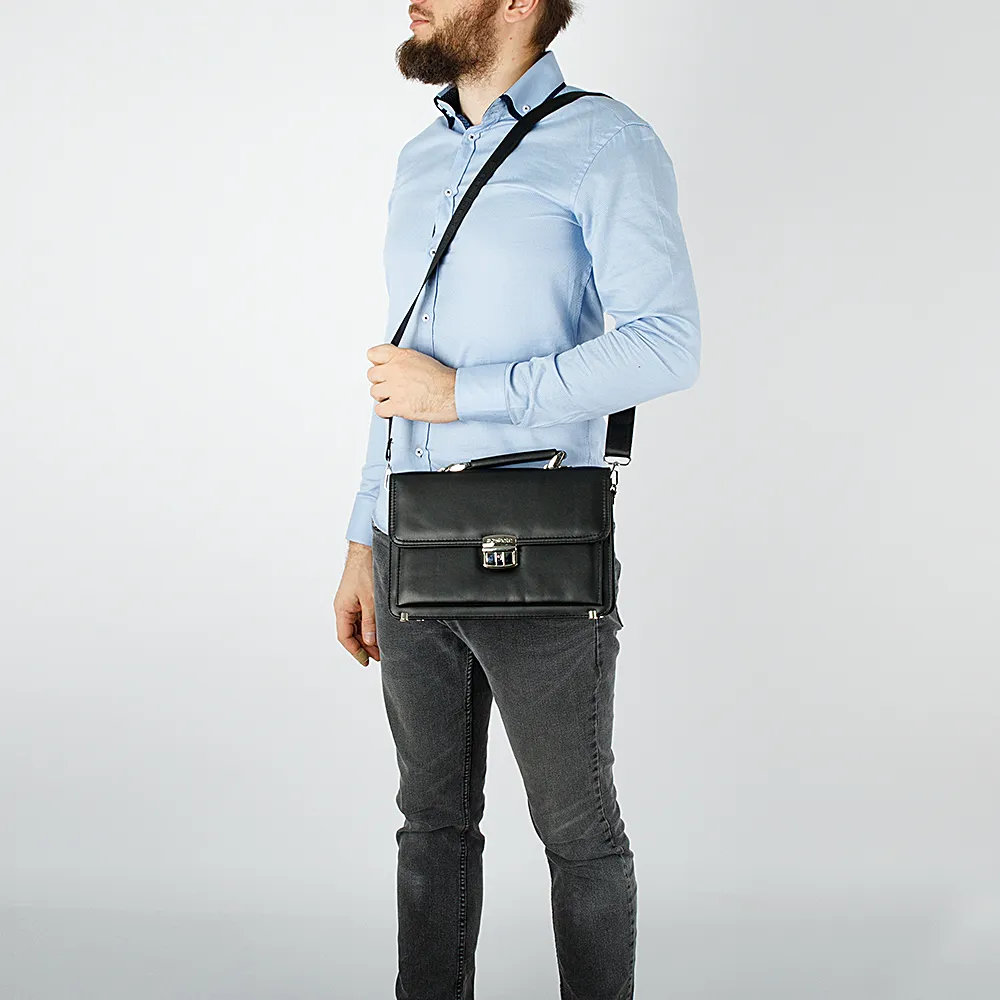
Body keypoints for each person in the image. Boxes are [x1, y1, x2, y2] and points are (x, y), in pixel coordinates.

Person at [333, 1, 700, 996]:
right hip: (407, 540)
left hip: (533, 539)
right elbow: (398, 371)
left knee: (577, 832)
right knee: (429, 824)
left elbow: (667, 343)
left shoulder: (605, 141)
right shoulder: (421, 157)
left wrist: (465, 395)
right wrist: (362, 539)